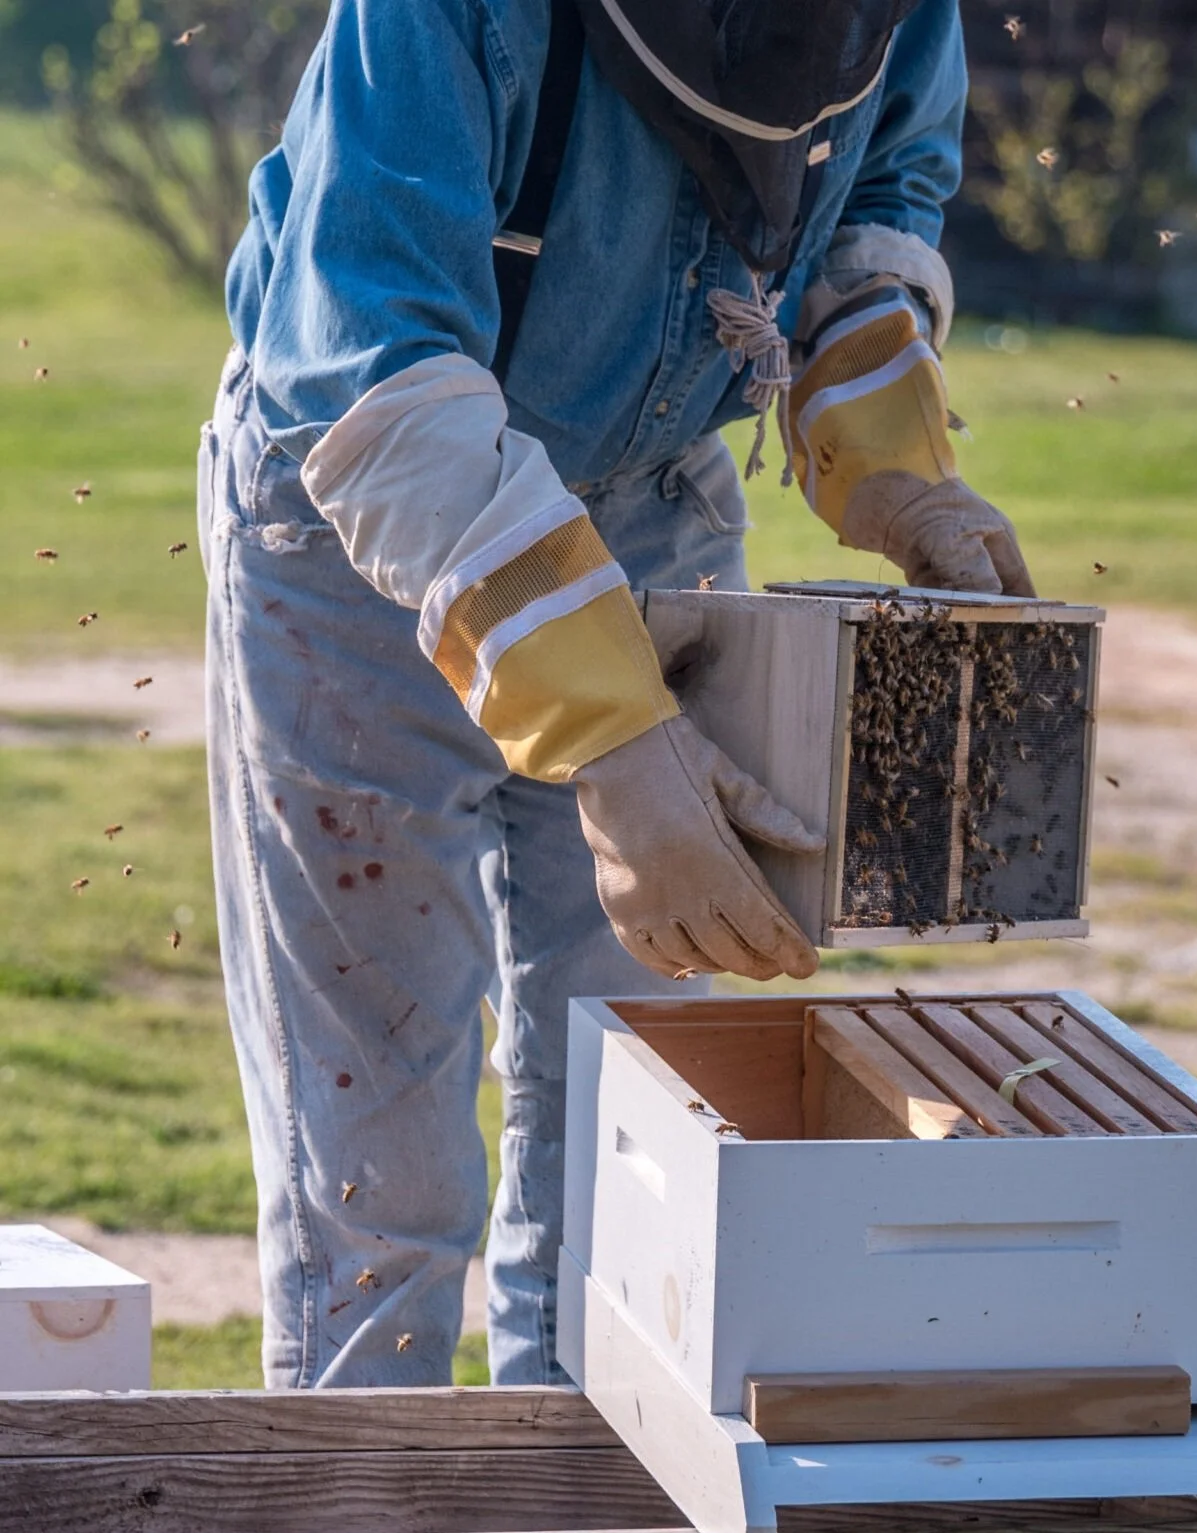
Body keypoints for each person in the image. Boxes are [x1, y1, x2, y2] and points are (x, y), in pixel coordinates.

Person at [200, 0, 1033, 1389]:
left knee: (625, 1133)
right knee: (380, 1174)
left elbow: (874, 202)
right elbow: (374, 353)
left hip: (654, 496)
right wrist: (611, 731)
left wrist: (890, 460)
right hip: (364, 509)